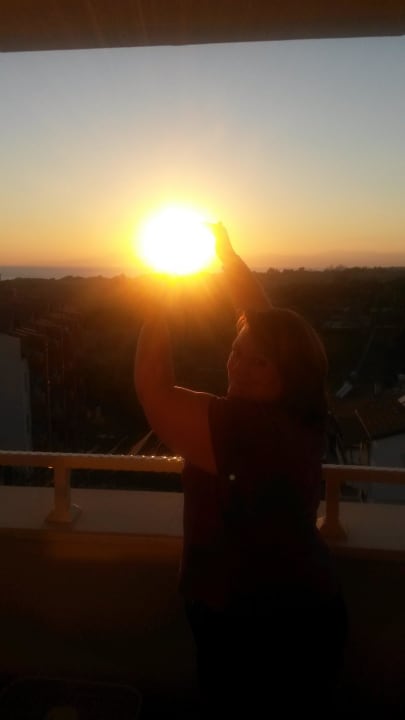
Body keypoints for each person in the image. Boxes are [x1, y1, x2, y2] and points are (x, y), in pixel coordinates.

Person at [134, 223, 348, 718]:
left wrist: (155, 303)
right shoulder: (304, 408)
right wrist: (229, 262)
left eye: (259, 363)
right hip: (303, 608)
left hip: (256, 628)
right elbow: (263, 322)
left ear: (288, 372)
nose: (237, 367)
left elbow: (153, 390)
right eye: (236, 352)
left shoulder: (246, 428)